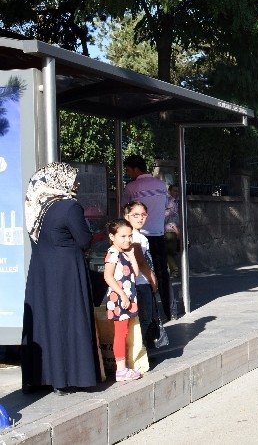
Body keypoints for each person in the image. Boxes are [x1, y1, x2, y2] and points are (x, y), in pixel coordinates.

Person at [21, 162, 101, 395]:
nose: (77, 183)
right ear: (61, 180)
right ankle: (66, 378)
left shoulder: (38, 206)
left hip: (41, 270)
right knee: (68, 319)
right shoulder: (69, 206)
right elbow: (84, 240)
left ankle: (41, 377)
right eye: (73, 178)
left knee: (44, 322)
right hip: (67, 271)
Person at [123, 155, 173, 319]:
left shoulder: (131, 187)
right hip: (158, 236)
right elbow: (165, 207)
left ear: (136, 169)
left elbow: (124, 210)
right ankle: (169, 310)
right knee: (162, 274)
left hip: (139, 237)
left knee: (142, 277)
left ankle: (150, 313)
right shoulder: (161, 185)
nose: (128, 173)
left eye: (129, 170)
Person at [102, 218, 151, 382]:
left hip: (128, 297)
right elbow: (108, 276)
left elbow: (135, 274)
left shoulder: (124, 253)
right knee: (120, 333)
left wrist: (132, 256)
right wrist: (122, 295)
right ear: (112, 236)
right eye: (123, 236)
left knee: (125, 332)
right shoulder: (113, 253)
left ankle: (123, 367)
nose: (127, 239)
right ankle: (121, 369)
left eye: (129, 236)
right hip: (120, 299)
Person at [123, 201, 159, 351]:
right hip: (140, 282)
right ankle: (141, 350)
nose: (140, 218)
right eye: (135, 215)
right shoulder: (134, 237)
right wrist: (153, 279)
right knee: (144, 319)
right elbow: (141, 262)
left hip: (139, 282)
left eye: (143, 215)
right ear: (127, 216)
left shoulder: (138, 235)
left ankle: (142, 348)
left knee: (144, 318)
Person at [164, 184, 181, 277]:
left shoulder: (176, 201)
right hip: (170, 230)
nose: (176, 193)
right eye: (174, 191)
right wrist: (176, 229)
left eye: (177, 191)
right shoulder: (169, 202)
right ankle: (175, 270)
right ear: (169, 191)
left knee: (173, 250)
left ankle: (175, 270)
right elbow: (167, 218)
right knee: (169, 251)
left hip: (174, 229)